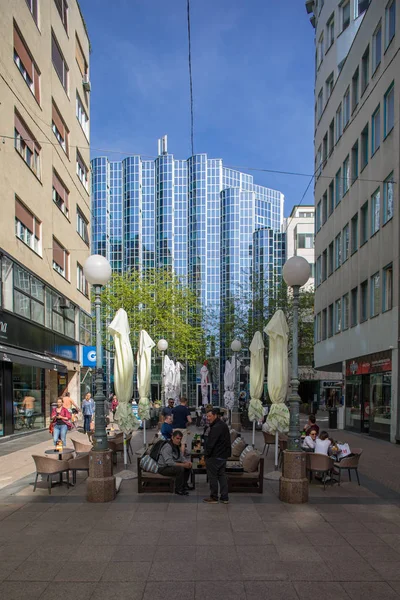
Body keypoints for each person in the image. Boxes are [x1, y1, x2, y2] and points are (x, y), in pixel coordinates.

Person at [203, 408, 231, 504]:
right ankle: (224, 497)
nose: (208, 418)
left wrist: (206, 455)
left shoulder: (216, 427)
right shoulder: (222, 425)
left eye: (209, 416)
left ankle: (214, 497)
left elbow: (211, 443)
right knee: (221, 475)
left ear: (215, 415)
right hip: (222, 455)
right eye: (207, 416)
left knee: (213, 476)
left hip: (216, 455)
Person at [157, 430, 192, 495]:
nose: (179, 440)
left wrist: (187, 462)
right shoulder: (167, 447)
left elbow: (181, 457)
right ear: (172, 438)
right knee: (180, 469)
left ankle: (184, 485)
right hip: (163, 468)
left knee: (188, 467)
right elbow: (169, 462)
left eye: (180, 439)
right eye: (177, 438)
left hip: (170, 466)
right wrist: (182, 465)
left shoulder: (176, 446)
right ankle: (178, 489)